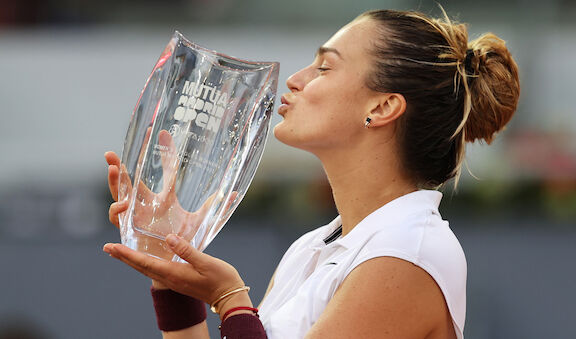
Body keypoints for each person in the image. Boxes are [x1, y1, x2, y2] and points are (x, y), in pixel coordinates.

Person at [103, 8, 520, 339]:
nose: (297, 80)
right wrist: (170, 268)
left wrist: (230, 299)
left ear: (381, 107)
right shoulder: (314, 247)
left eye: (324, 68)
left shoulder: (408, 252)